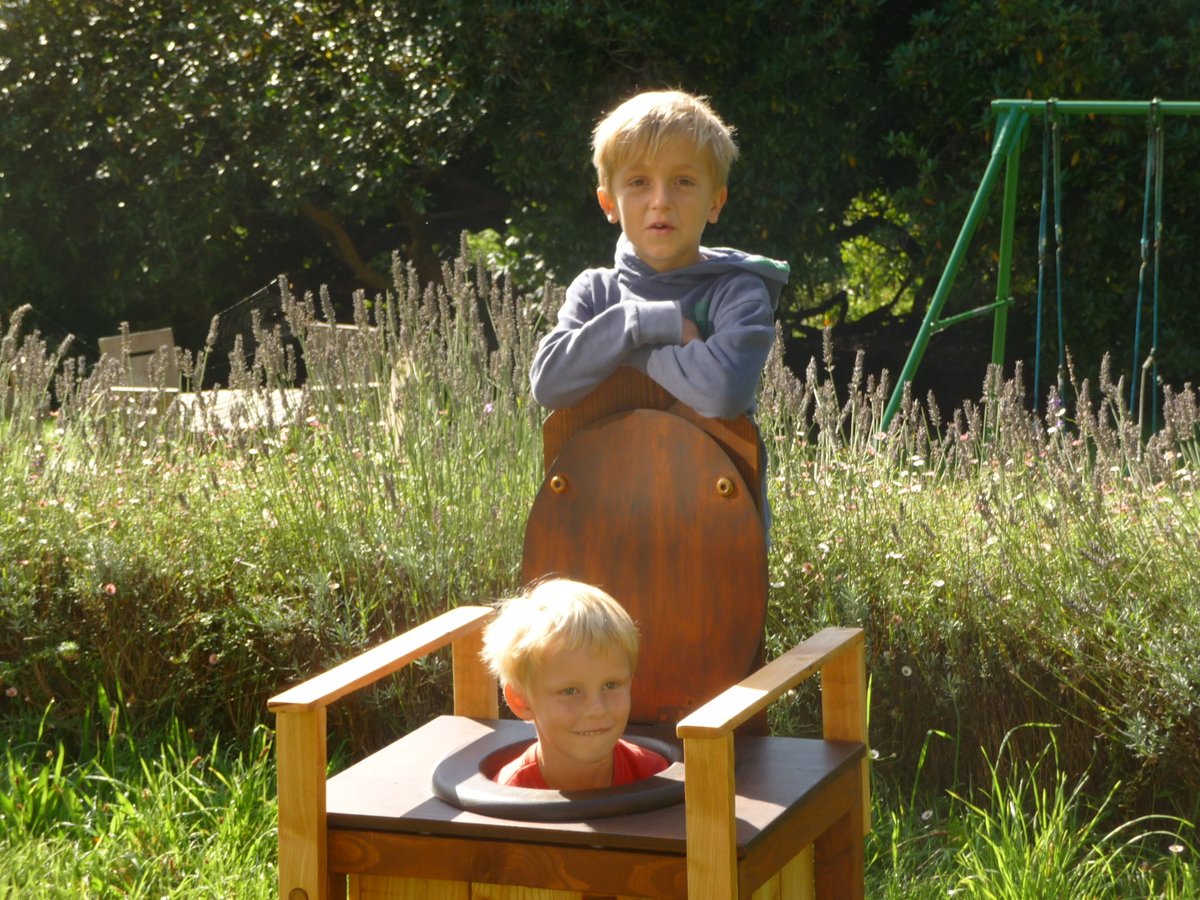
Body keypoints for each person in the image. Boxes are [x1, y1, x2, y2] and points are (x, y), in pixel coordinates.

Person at [529, 89, 790, 422]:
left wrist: (619, 350)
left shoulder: (738, 292)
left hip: (710, 474)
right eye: (639, 182)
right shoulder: (594, 293)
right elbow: (549, 384)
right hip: (606, 473)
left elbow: (723, 394)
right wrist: (642, 324)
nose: (661, 200)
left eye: (683, 181)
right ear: (609, 203)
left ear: (715, 202)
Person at [480, 578, 668, 791]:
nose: (596, 709)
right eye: (570, 691)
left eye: (611, 685)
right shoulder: (510, 795)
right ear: (521, 700)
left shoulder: (654, 775)